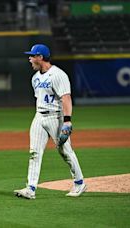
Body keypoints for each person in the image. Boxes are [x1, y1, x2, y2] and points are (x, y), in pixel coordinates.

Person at [14, 44, 86, 199]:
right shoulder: (35, 78)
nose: (30, 58)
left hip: (56, 117)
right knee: (34, 152)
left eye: (32, 56)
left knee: (64, 151)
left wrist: (67, 121)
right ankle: (30, 188)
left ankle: (79, 183)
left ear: (40, 57)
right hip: (39, 116)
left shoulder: (58, 75)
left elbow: (66, 98)